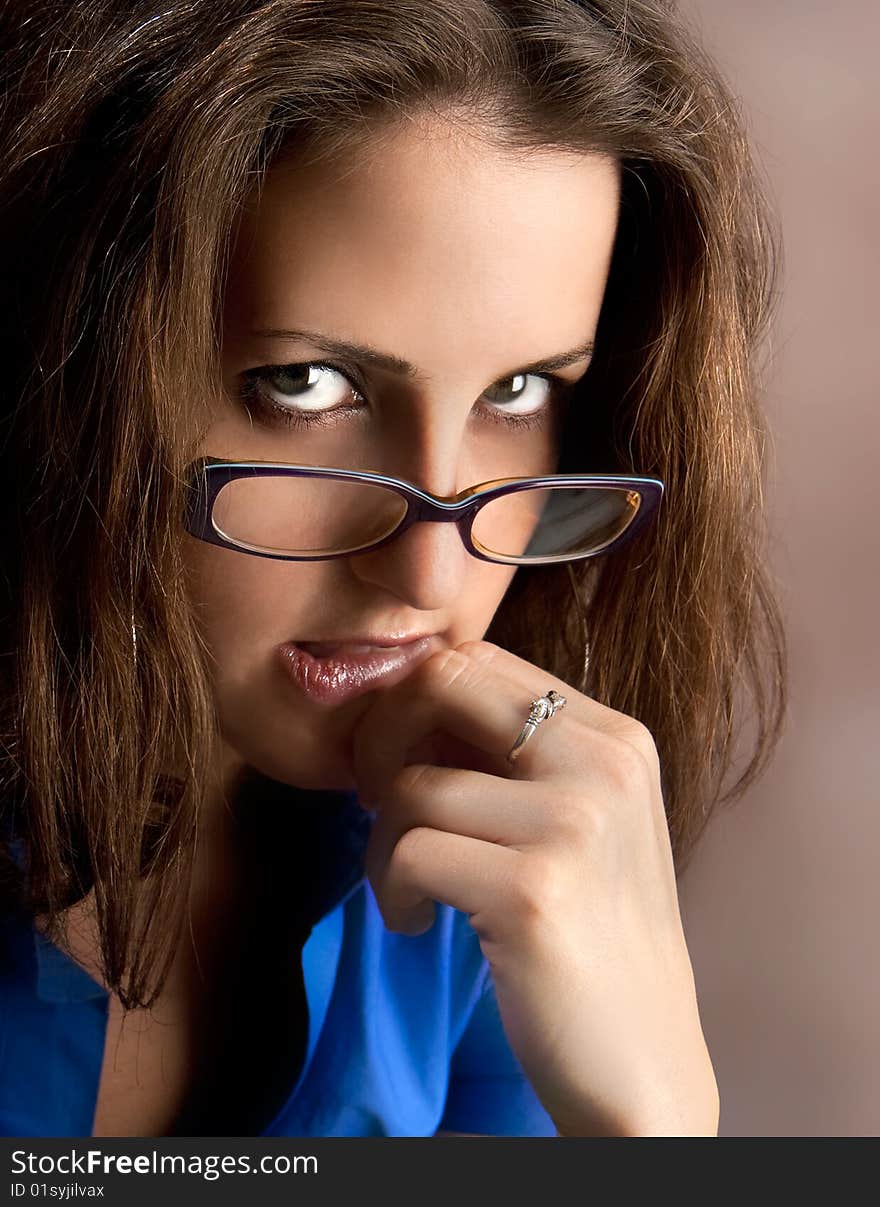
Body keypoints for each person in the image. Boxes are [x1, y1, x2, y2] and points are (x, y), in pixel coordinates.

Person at [0, 0, 787, 1137]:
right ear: (66, 368)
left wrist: (653, 1126)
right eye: (309, 387)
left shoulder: (478, 867)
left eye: (518, 394)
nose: (428, 569)